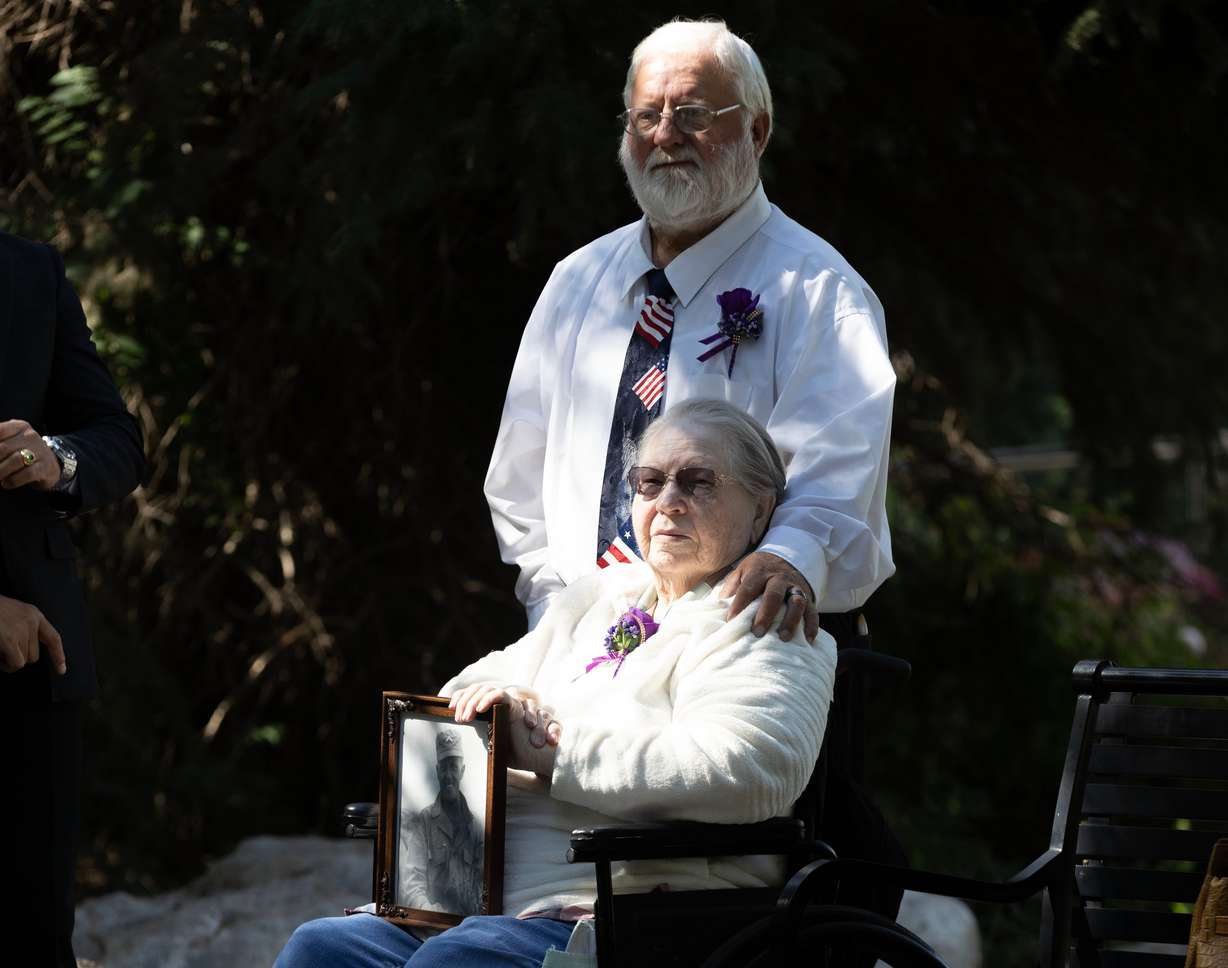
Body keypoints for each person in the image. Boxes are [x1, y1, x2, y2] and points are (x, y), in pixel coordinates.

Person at [274, 400, 837, 968]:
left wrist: (551, 750)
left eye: (698, 482)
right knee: (320, 949)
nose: (668, 503)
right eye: (650, 483)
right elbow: (463, 692)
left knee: (452, 964)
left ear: (762, 509)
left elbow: (747, 771)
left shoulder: (770, 624)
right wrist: (509, 706)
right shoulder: (602, 597)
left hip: (628, 907)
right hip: (476, 903)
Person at [485, 18, 896, 648]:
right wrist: (557, 612)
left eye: (695, 113)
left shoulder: (820, 292)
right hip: (577, 654)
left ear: (757, 131)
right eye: (646, 116)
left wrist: (789, 561)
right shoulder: (576, 284)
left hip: (748, 656)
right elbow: (518, 481)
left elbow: (839, 479)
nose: (666, 135)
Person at [0, 231, 146, 967]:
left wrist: (56, 460)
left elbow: (117, 437)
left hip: (35, 672)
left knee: (34, 935)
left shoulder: (28, 269)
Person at [399, 727, 484, 914]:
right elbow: (412, 884)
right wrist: (429, 911)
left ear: (462, 771)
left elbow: (483, 889)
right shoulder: (424, 822)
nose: (448, 775)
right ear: (437, 771)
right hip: (430, 924)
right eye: (443, 768)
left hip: (467, 926)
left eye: (453, 767)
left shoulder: (476, 828)